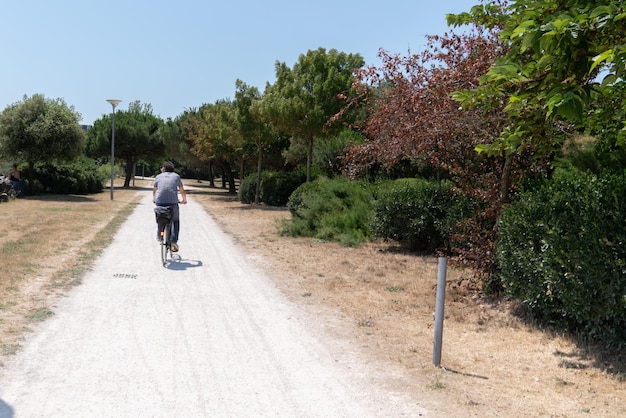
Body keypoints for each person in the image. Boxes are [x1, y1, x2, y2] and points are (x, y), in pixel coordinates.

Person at [153, 161, 187, 252]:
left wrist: (154, 199)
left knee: (161, 217)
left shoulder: (158, 176)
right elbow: (181, 189)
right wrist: (184, 200)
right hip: (173, 203)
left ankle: (160, 235)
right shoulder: (176, 176)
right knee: (175, 220)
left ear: (164, 169)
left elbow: (155, 190)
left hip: (160, 202)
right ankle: (174, 242)